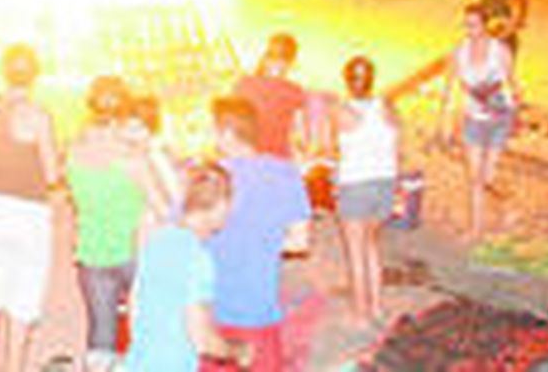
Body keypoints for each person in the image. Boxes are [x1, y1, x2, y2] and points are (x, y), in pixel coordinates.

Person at [66, 77, 169, 371]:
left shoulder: (74, 152)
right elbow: (163, 209)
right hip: (131, 253)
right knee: (146, 332)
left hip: (92, 253)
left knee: (101, 337)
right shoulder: (130, 159)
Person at [203, 96, 312, 371]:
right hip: (259, 309)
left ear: (227, 134)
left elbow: (180, 234)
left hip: (211, 310)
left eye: (212, 130)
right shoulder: (285, 173)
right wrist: (261, 242)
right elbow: (299, 242)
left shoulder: (208, 179)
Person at [0, 44, 59, 372]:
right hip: (28, 211)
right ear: (36, 75)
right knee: (24, 298)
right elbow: (51, 174)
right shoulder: (38, 115)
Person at [127, 162, 251, 372]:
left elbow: (134, 306)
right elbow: (201, 338)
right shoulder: (197, 259)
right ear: (220, 204)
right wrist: (238, 352)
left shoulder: (156, 240)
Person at [438, 5, 521, 239]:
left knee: (489, 177)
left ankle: (507, 200)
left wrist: (517, 114)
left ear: (484, 26)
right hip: (473, 118)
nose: (469, 30)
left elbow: (513, 85)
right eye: (466, 25)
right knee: (474, 177)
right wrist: (444, 122)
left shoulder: (500, 51)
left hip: (499, 117)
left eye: (474, 24)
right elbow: (448, 89)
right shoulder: (458, 53)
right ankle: (475, 228)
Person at [330, 57, 399, 323]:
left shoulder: (340, 110)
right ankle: (378, 306)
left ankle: (361, 314)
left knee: (355, 252)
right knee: (371, 245)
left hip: (356, 183)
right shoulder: (387, 108)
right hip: (384, 183)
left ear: (347, 81)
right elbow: (398, 145)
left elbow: (327, 147)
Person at [232, 33, 308, 160]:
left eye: (282, 58)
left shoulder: (244, 84)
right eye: (276, 57)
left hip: (249, 158)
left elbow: (231, 125)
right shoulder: (294, 92)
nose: (279, 63)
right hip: (275, 160)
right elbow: (300, 134)